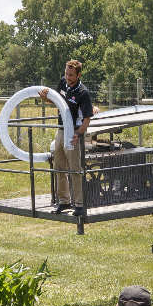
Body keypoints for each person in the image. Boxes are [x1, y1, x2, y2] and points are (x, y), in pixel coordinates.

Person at [46, 59, 98, 213]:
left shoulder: (83, 92)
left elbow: (87, 119)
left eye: (71, 75)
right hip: (61, 130)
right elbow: (56, 101)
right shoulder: (63, 82)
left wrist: (77, 134)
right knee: (59, 167)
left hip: (74, 131)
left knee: (75, 169)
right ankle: (64, 201)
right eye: (66, 74)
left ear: (78, 75)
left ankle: (80, 205)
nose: (68, 77)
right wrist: (45, 97)